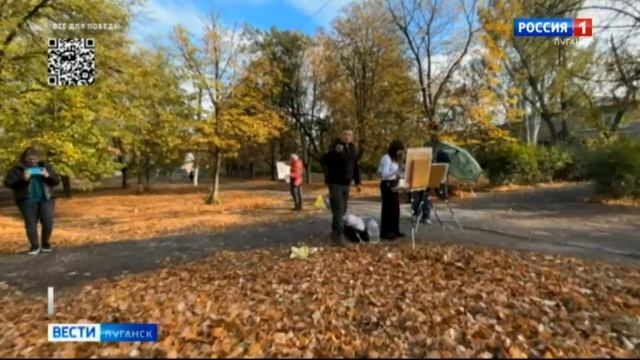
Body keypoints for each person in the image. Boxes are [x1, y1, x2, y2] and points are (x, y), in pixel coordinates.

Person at [3, 147, 61, 255]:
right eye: (30, 160)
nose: (33, 162)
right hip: (27, 199)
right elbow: (8, 183)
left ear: (39, 158)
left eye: (35, 159)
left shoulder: (45, 166)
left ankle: (45, 244)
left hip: (46, 198)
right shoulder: (18, 168)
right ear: (24, 158)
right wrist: (23, 179)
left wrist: (47, 176)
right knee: (31, 224)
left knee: (48, 222)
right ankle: (34, 246)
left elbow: (56, 181)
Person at [321, 129, 362, 246]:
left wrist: (358, 182)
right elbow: (324, 159)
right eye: (345, 134)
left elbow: (355, 167)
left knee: (342, 209)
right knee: (338, 209)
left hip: (346, 184)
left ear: (352, 137)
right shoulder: (335, 146)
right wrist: (335, 152)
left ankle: (335, 232)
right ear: (340, 136)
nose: (347, 136)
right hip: (335, 184)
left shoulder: (353, 149)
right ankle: (338, 238)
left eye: (349, 135)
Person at [411, 135, 451, 223]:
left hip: (432, 178)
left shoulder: (439, 154)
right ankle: (421, 214)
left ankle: (421, 215)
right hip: (432, 178)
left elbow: (444, 167)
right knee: (421, 194)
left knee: (421, 194)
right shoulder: (434, 152)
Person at [378, 139, 405, 240]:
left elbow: (397, 173)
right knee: (388, 208)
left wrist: (400, 174)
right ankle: (386, 231)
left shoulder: (395, 160)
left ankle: (395, 230)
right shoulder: (387, 158)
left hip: (394, 183)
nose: (400, 153)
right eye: (399, 151)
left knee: (395, 208)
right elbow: (384, 174)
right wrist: (396, 171)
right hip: (387, 184)